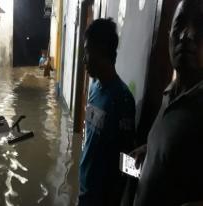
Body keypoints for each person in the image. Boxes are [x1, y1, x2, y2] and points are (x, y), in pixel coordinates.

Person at [133, 0, 203, 205]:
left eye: (200, 25)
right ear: (169, 35)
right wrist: (152, 148)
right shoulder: (169, 94)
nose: (186, 34)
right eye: (179, 24)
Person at [79, 18, 136, 206]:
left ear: (101, 51)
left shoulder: (122, 99)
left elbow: (127, 159)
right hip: (85, 191)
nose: (84, 59)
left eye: (87, 51)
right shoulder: (94, 87)